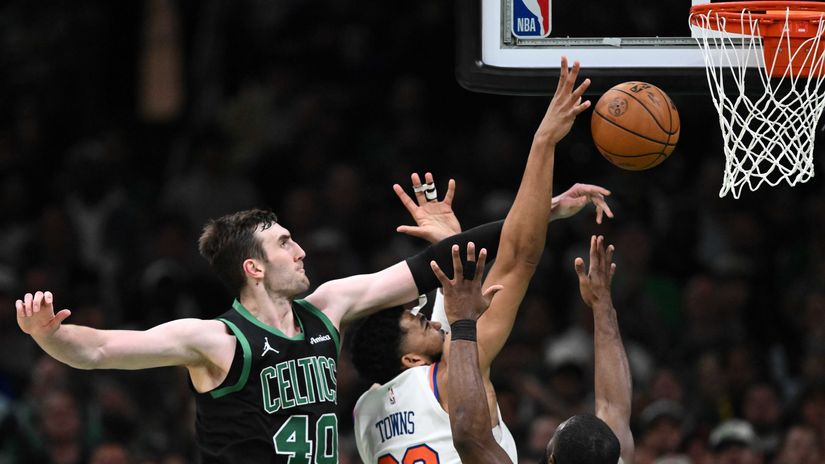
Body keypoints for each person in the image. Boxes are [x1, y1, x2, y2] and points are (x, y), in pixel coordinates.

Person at [16, 177, 556, 460]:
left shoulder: (329, 307)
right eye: (284, 243)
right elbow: (98, 350)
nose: (300, 251)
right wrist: (49, 334)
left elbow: (433, 261)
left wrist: (546, 210)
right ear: (253, 268)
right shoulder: (218, 340)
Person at [351, 57, 595, 464]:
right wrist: (544, 142)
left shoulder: (364, 414)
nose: (430, 320)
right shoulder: (452, 374)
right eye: (419, 323)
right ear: (411, 359)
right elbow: (518, 258)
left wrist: (451, 245)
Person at [440, 235, 634, 464]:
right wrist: (602, 305)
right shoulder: (610, 457)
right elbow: (613, 406)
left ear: (552, 458)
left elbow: (469, 437)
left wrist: (462, 321)